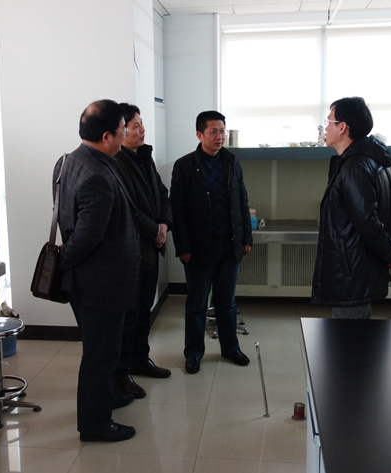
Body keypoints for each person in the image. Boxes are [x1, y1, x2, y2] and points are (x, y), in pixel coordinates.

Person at [54, 99, 140, 442]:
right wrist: (64, 260)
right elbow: (85, 237)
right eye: (122, 130)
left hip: (89, 280)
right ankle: (95, 424)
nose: (126, 134)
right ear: (107, 136)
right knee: (100, 356)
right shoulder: (97, 176)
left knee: (102, 349)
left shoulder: (70, 160)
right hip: (100, 284)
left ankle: (109, 397)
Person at [170, 110, 252, 374]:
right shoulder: (184, 166)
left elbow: (242, 201)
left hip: (229, 244)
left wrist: (246, 237)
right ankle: (194, 353)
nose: (219, 137)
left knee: (227, 302)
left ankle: (230, 348)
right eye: (213, 132)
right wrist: (183, 246)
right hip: (198, 247)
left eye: (222, 131)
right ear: (199, 134)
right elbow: (177, 210)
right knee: (196, 305)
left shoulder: (231, 161)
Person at [311, 97, 391, 319]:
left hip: (352, 271)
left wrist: (390, 252)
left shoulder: (355, 167)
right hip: (358, 267)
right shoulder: (370, 160)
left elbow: (368, 222)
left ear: (342, 127)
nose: (325, 127)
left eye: (329, 121)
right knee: (357, 333)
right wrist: (389, 250)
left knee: (350, 336)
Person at [113, 103, 172, 399]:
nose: (142, 130)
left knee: (143, 310)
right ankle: (122, 371)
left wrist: (164, 224)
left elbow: (162, 194)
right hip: (131, 252)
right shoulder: (116, 163)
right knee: (129, 315)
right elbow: (129, 210)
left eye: (141, 124)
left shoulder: (144, 157)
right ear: (121, 131)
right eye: (135, 126)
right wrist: (155, 231)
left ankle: (140, 358)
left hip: (150, 248)